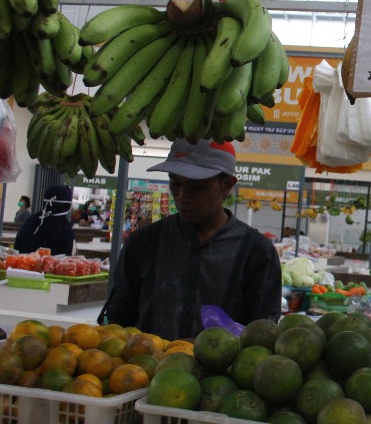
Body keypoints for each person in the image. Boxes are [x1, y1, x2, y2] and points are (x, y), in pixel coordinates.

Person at [103, 139, 282, 340]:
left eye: (197, 186)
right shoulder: (144, 242)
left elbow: (262, 334)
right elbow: (119, 320)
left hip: (221, 371)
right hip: (147, 368)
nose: (182, 196)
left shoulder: (256, 253)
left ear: (227, 185)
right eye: (175, 182)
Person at [14, 185, 75, 257]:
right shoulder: (65, 228)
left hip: (21, 266)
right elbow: (65, 261)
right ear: (67, 204)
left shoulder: (31, 220)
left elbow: (17, 246)